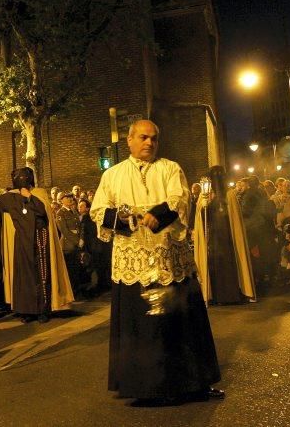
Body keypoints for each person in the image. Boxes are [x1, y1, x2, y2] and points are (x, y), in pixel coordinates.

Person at [91, 119, 222, 403]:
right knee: (140, 325)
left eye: (154, 138)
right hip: (133, 261)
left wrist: (159, 214)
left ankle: (189, 382)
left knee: (179, 323)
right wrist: (125, 219)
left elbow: (181, 197)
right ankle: (141, 386)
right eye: (143, 137)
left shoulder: (170, 168)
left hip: (168, 258)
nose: (149, 142)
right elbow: (98, 210)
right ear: (129, 140)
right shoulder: (112, 175)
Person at [0, 167, 74, 323]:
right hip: (22, 241)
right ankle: (26, 310)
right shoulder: (10, 197)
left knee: (41, 275)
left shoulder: (39, 194)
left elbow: (42, 211)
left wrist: (29, 196)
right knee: (24, 276)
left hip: (39, 239)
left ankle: (42, 310)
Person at [193, 166, 256, 304]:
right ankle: (214, 295)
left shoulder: (230, 194)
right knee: (214, 265)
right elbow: (200, 217)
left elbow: (235, 219)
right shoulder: (205, 194)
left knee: (229, 265)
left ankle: (232, 294)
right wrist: (204, 205)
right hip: (212, 237)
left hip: (228, 237)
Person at [56, 192, 84, 295]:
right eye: (66, 198)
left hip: (76, 244)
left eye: (70, 197)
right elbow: (64, 231)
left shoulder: (74, 211)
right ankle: (72, 292)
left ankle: (77, 290)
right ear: (62, 200)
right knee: (71, 270)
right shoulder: (60, 213)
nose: (69, 199)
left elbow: (80, 227)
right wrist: (77, 241)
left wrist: (81, 238)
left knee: (77, 269)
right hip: (69, 246)